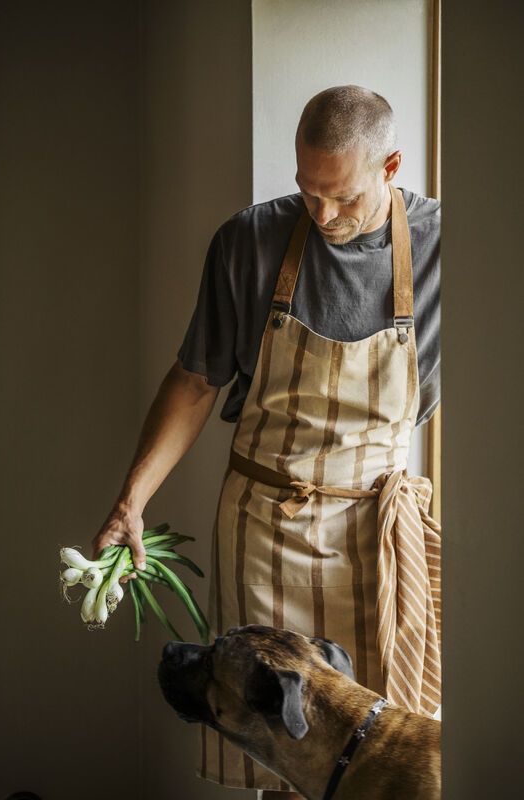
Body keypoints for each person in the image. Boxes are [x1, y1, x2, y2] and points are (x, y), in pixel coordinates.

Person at [93, 85, 441, 799]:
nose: (321, 214)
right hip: (264, 528)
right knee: (275, 748)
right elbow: (195, 380)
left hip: (375, 534)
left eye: (340, 196)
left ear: (391, 165)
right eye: (306, 191)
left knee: (382, 743)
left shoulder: (447, 244)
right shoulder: (248, 240)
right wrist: (132, 500)